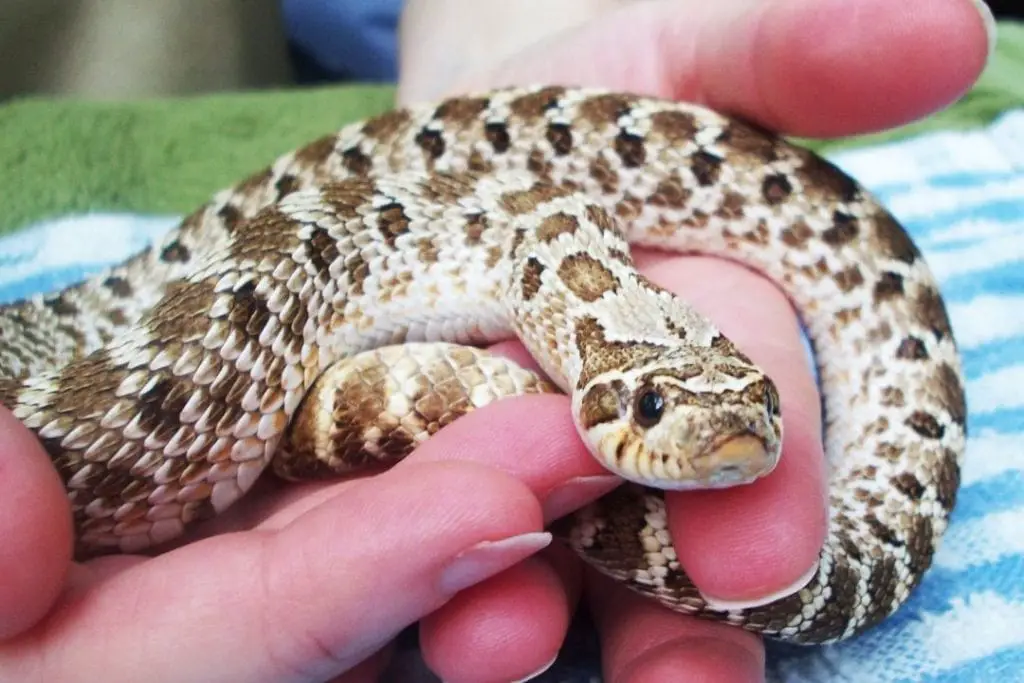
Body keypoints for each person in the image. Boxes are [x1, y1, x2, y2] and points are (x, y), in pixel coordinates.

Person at [0, 0, 994, 681]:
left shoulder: (565, 245)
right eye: (652, 408)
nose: (717, 442)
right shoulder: (512, 248)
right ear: (606, 378)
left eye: (753, 406)